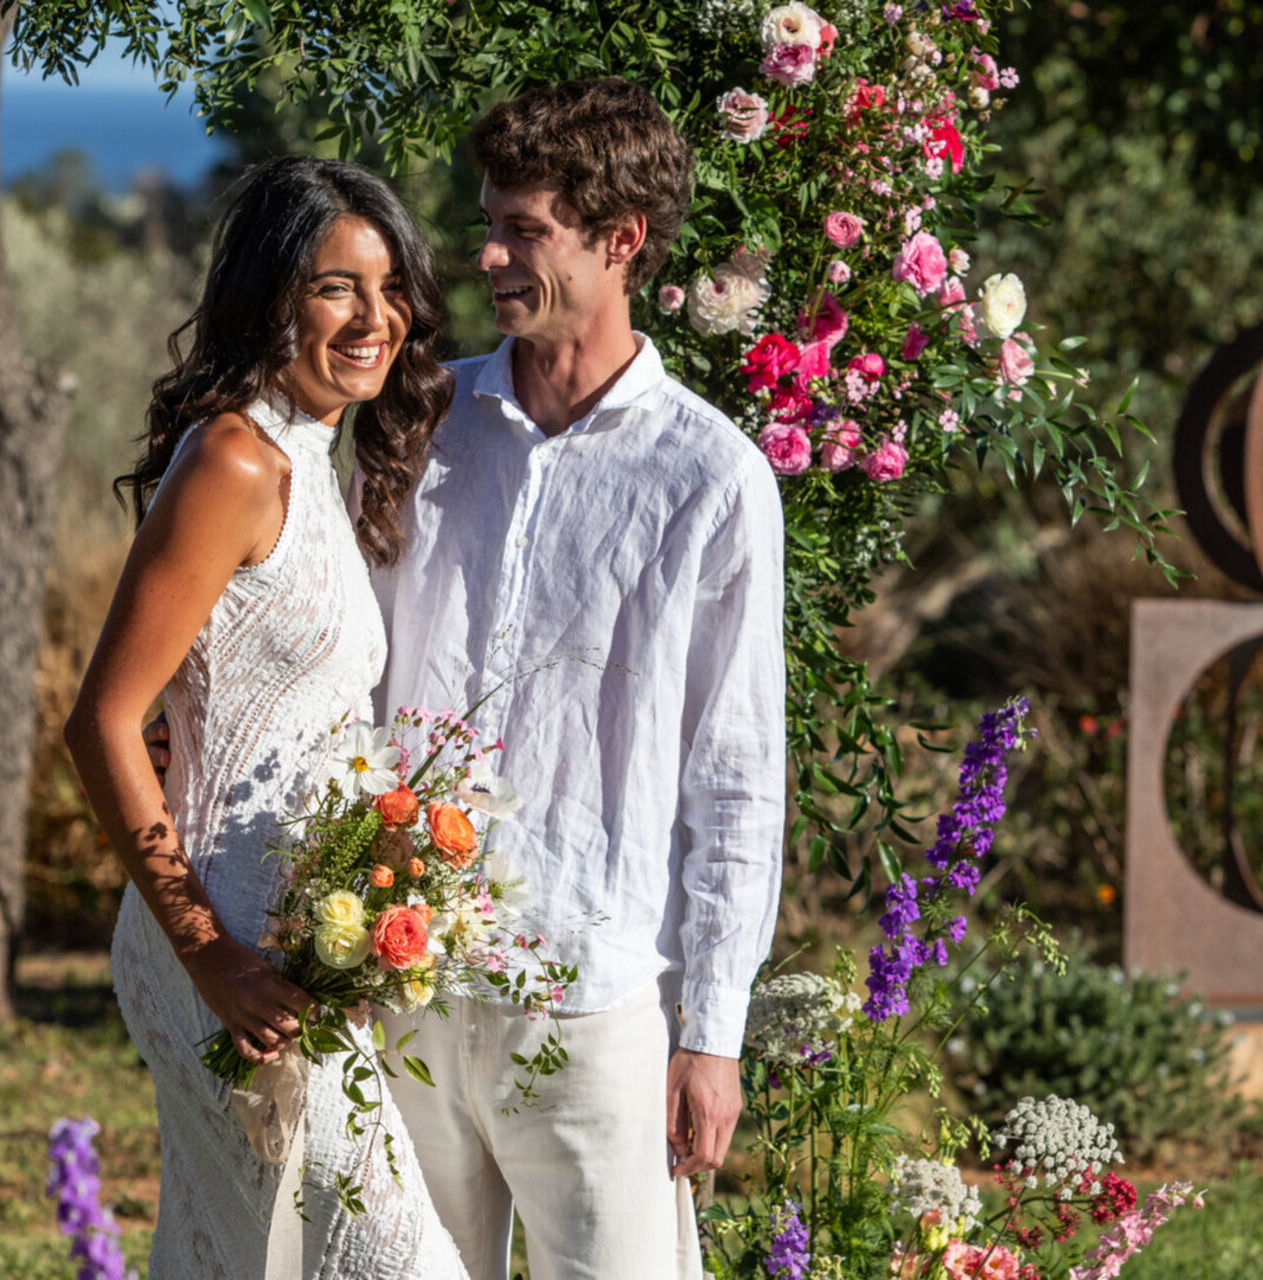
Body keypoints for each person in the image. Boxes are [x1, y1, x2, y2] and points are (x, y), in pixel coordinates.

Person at [372, 78, 787, 1280]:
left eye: (526, 230)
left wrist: (712, 1030)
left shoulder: (712, 476)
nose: (490, 255)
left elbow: (737, 771)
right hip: (402, 975)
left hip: (589, 994)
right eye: (488, 223)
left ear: (621, 241)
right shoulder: (419, 425)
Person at [64, 156, 472, 1280]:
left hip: (289, 960)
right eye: (338, 287)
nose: (376, 318)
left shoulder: (311, 457)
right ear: (271, 296)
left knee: (248, 1257)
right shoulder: (237, 457)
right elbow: (102, 721)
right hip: (227, 960)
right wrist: (211, 956)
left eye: (391, 290)